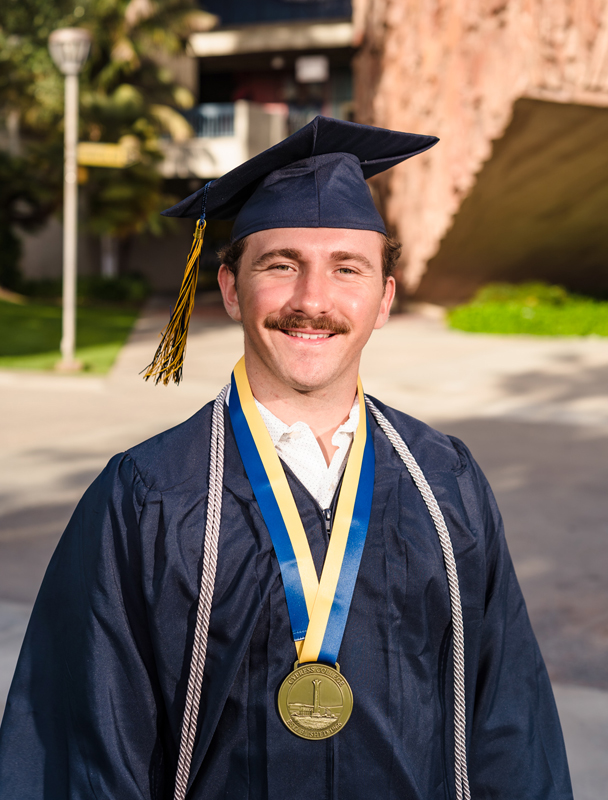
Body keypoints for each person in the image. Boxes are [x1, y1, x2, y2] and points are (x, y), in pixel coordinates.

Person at [0, 117, 573, 800]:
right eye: (281, 264)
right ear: (232, 289)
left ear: (384, 299)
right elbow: (83, 752)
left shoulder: (445, 483)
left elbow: (512, 727)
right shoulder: (147, 496)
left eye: (347, 268)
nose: (313, 301)